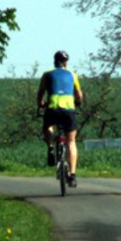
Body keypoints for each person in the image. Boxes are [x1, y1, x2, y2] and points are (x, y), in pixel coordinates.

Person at [37, 51, 83, 187]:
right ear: (66, 62)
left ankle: (51, 146)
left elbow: (40, 93)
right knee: (71, 141)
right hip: (68, 110)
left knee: (47, 127)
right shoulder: (72, 74)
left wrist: (40, 104)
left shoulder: (47, 74)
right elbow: (79, 95)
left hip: (52, 107)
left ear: (54, 61)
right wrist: (78, 103)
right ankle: (73, 175)